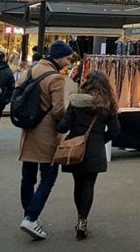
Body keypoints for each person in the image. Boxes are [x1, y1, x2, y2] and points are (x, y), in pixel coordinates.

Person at [17, 40, 72, 240]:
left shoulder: (30, 71)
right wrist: (67, 122)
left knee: (28, 177)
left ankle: (28, 214)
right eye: (67, 58)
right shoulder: (56, 78)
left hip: (28, 130)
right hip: (46, 133)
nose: (68, 62)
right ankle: (31, 218)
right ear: (57, 57)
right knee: (48, 177)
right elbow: (58, 110)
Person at [56, 71, 120, 240]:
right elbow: (115, 130)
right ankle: (83, 220)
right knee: (89, 185)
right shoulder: (107, 104)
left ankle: (80, 217)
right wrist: (100, 140)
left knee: (78, 184)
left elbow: (62, 127)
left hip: (75, 150)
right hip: (95, 150)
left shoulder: (76, 101)